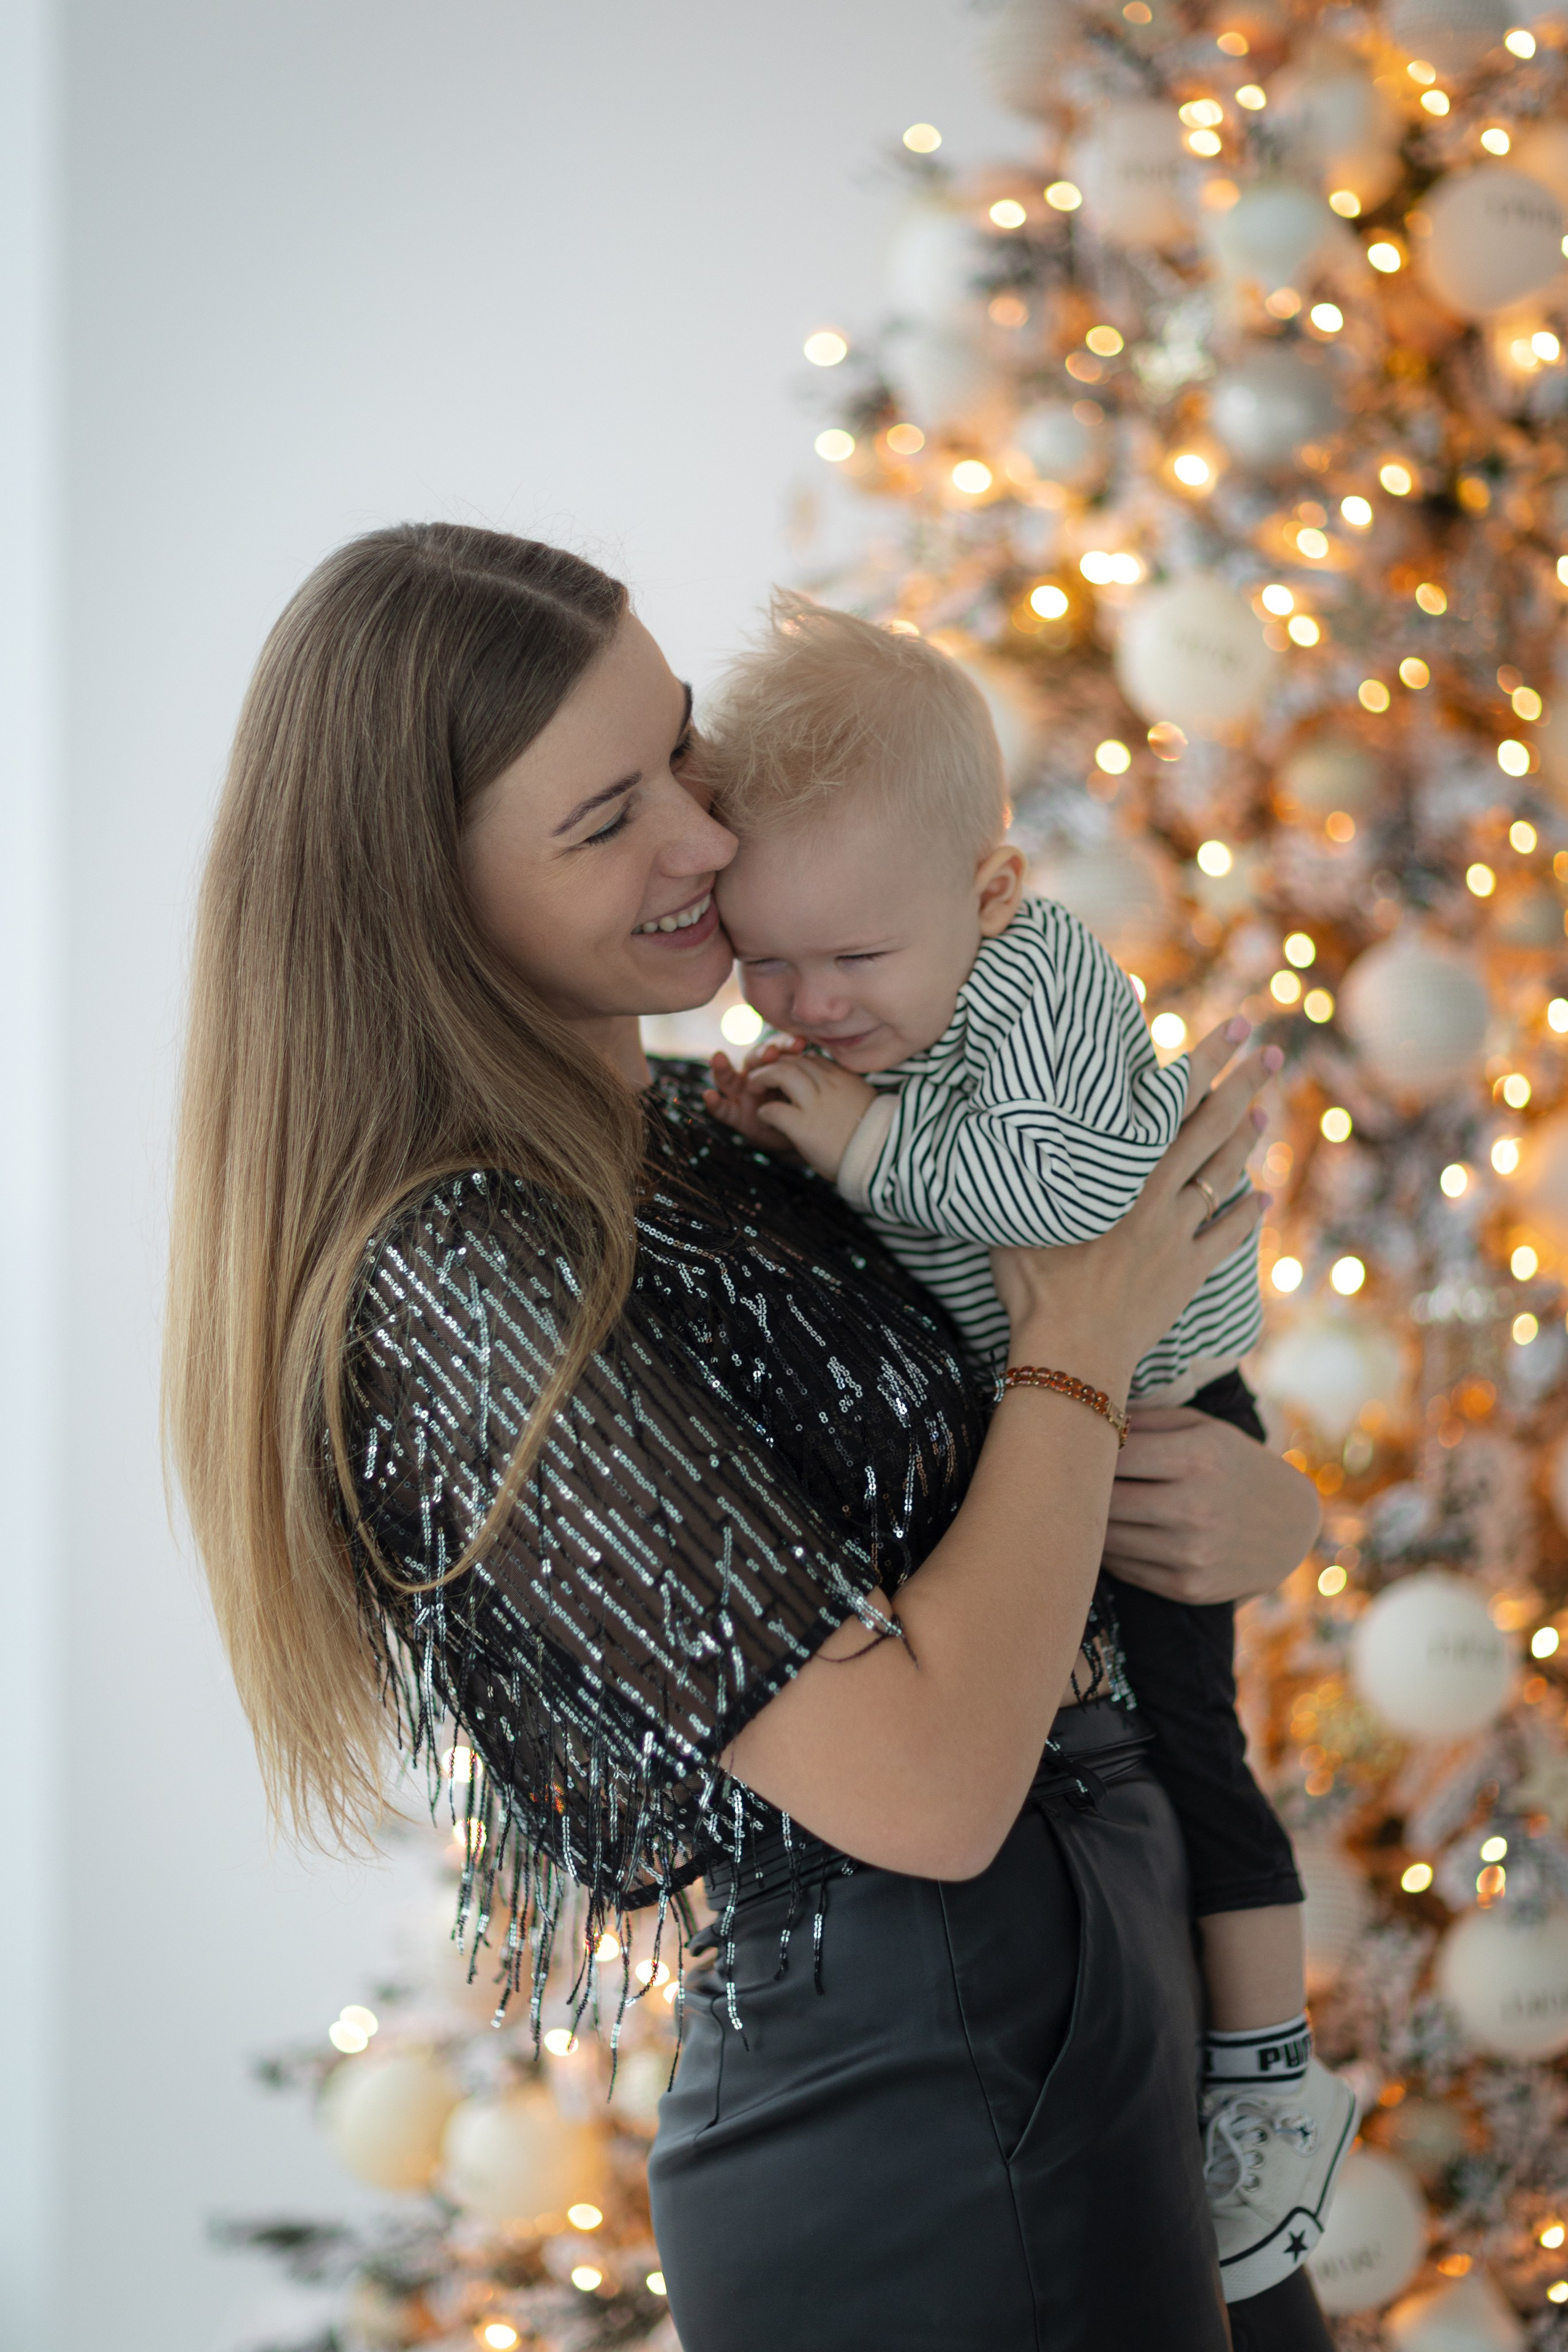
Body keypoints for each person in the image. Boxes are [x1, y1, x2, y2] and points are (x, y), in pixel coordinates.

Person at [164, 522, 1325, 2352]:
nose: (707, 841)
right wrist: (1087, 1343)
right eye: (605, 817)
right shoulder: (461, 1279)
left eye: (682, 753)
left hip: (1106, 1972)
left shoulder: (718, 1136)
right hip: (929, 2088)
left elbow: (1014, 1484)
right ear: (427, 901)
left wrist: (1239, 1504)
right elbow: (928, 1790)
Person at [699, 594, 1357, 2308]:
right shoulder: (840, 1027)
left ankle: (1275, 2073)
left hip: (1165, 1408)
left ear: (986, 895)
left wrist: (862, 1147)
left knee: (1204, 1745)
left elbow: (1084, 1207)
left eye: (853, 962)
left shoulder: (1037, 975)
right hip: (1056, 1439)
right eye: (768, 962)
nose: (808, 1003)